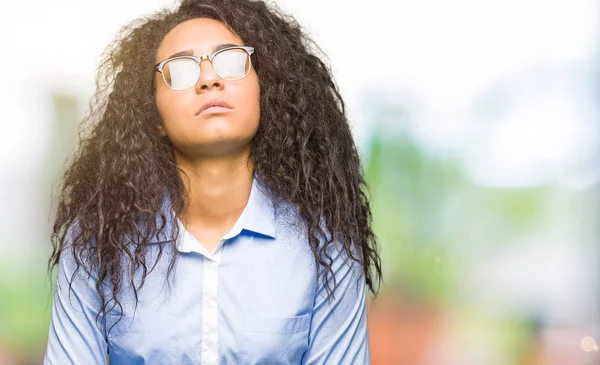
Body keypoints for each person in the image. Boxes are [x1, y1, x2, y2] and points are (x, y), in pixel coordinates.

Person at [43, 0, 382, 364]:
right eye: (180, 69)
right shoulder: (97, 241)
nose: (209, 79)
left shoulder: (326, 245)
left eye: (231, 60)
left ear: (264, 93)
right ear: (152, 113)